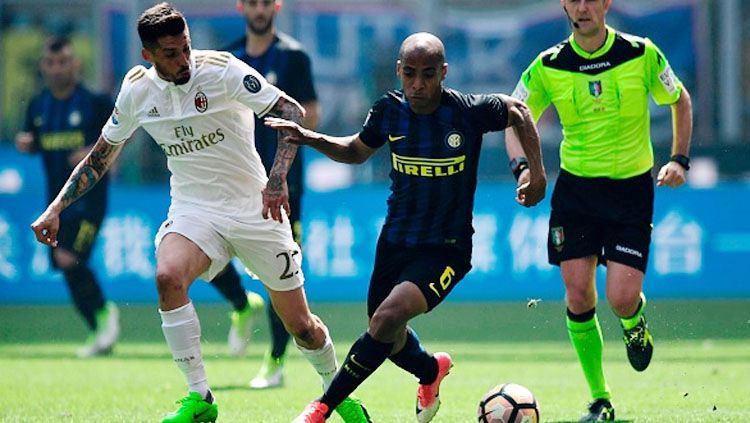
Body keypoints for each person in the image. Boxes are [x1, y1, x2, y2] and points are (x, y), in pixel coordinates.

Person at [29, 4, 371, 423]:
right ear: (148, 56)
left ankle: (336, 393)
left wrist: (278, 178)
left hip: (254, 208)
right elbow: (100, 157)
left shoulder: (223, 71)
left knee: (301, 326)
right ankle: (201, 397)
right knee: (168, 278)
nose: (184, 60)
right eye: (171, 53)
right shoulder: (137, 92)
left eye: (187, 47)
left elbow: (291, 112)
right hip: (195, 209)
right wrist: (55, 208)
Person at [266, 32, 547, 423]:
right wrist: (310, 138)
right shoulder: (389, 111)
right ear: (399, 70)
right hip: (396, 240)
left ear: (443, 72)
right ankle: (431, 371)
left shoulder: (466, 111)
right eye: (410, 74)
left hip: (446, 248)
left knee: (385, 320)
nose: (418, 84)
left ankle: (320, 409)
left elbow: (519, 111)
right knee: (385, 335)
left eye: (428, 74)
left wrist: (536, 172)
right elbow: (356, 151)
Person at [506, 0, 693, 421]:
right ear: (564, 6)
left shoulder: (642, 53)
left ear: (607, 3)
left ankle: (634, 322)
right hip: (576, 192)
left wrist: (679, 159)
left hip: (630, 191)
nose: (583, 7)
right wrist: (522, 169)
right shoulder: (547, 64)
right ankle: (600, 398)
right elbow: (516, 118)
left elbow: (679, 100)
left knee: (621, 299)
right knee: (577, 292)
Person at [208, 0, 321, 391]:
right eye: (251, 2)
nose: (258, 9)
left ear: (276, 6)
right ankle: (241, 304)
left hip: (282, 186)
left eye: (264, 2)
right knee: (202, 253)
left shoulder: (293, 57)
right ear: (242, 7)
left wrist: (279, 163)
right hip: (230, 181)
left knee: (282, 274)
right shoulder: (227, 59)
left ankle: (274, 363)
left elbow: (311, 117)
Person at [16, 36, 120, 359]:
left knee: (68, 258)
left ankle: (105, 315)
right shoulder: (38, 106)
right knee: (65, 265)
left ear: (76, 64)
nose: (58, 68)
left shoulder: (96, 102)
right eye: (51, 62)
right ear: (43, 66)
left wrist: (90, 153)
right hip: (54, 203)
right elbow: (33, 139)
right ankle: (98, 325)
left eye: (64, 62)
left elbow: (117, 142)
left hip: (90, 200)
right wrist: (28, 143)